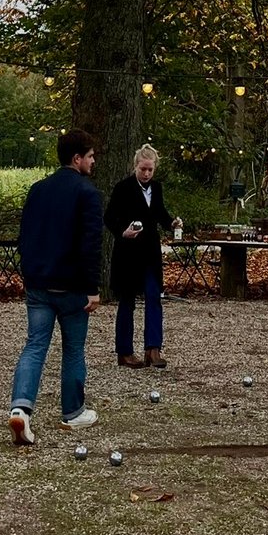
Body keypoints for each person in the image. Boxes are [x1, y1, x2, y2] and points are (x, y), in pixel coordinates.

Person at [7, 128, 103, 445]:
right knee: (73, 350)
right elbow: (91, 244)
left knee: (35, 346)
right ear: (77, 158)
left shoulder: (37, 189)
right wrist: (93, 287)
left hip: (38, 283)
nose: (93, 161)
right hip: (72, 287)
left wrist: (29, 272)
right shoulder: (87, 194)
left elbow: (25, 237)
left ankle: (21, 409)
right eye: (90, 156)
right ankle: (73, 412)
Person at [105, 144, 182, 369]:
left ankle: (153, 349)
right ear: (135, 167)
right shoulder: (123, 188)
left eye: (150, 170)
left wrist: (171, 223)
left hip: (150, 253)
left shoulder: (156, 188)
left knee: (153, 297)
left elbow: (159, 213)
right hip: (128, 253)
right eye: (143, 169)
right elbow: (109, 216)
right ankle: (125, 352)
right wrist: (123, 232)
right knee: (127, 301)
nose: (146, 174)